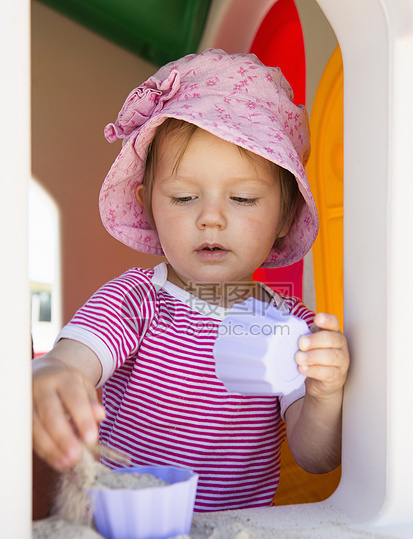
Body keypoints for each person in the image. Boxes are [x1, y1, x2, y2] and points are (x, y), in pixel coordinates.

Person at [32, 49, 349, 512]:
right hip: (128, 531)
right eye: (183, 197)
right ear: (148, 206)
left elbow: (315, 457)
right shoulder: (136, 301)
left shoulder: (291, 328)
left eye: (242, 198)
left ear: (286, 215)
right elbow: (70, 363)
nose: (211, 219)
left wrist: (324, 394)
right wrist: (49, 374)